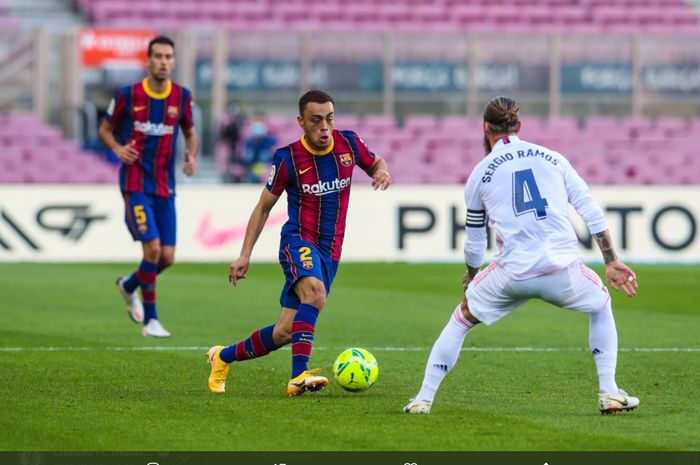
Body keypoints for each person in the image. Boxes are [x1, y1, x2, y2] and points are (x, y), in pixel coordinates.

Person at [403, 96, 639, 415]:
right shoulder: (554, 159)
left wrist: (472, 279)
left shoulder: (480, 173)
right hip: (562, 272)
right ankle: (609, 391)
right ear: (520, 125)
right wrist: (610, 260)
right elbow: (591, 211)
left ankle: (423, 399)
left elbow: (474, 239)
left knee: (460, 319)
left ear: (485, 127)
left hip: (512, 274)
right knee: (601, 304)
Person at [206, 90, 392, 396]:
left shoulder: (349, 144)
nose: (324, 127)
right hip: (298, 240)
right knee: (315, 294)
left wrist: (382, 171)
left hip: (330, 250)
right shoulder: (288, 158)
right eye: (316, 120)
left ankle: (221, 357)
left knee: (285, 331)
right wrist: (244, 255)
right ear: (301, 122)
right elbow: (263, 207)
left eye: (329, 119)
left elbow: (376, 163)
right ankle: (298, 376)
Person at [98, 35, 198, 338]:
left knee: (167, 257)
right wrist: (117, 149)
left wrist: (190, 154)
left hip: (165, 187)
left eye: (169, 57)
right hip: (136, 183)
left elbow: (190, 133)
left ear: (174, 61)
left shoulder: (181, 96)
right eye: (158, 56)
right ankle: (151, 322)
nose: (164, 62)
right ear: (148, 60)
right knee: (152, 249)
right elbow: (105, 129)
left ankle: (129, 285)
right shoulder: (128, 95)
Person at [242, 112, 277, 183]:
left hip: (269, 176)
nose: (258, 124)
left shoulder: (272, 142)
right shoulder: (248, 142)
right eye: (256, 121)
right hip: (251, 176)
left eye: (260, 120)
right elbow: (245, 162)